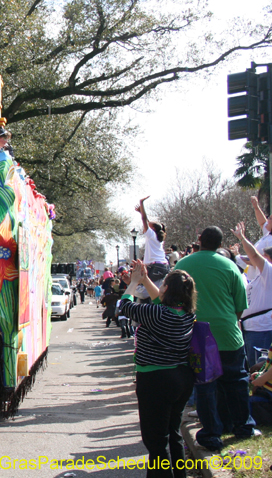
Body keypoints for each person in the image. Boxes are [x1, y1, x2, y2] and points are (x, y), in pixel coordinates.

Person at [175, 226, 258, 451]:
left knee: (205, 386)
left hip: (196, 334)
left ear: (199, 239)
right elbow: (240, 305)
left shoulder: (183, 265)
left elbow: (174, 300)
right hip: (227, 333)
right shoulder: (230, 266)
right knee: (237, 382)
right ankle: (243, 426)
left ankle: (211, 433)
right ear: (220, 244)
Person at [118, 262, 196, 478]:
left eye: (162, 285)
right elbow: (159, 299)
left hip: (156, 380)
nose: (159, 288)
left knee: (155, 441)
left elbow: (124, 306)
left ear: (167, 289)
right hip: (181, 378)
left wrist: (134, 283)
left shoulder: (156, 314)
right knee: (173, 433)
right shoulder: (187, 313)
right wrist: (144, 280)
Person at [232, 222, 272, 366]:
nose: (261, 258)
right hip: (252, 328)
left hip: (261, 329)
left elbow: (253, 255)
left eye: (264, 256)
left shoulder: (270, 271)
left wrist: (242, 238)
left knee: (259, 367)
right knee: (253, 368)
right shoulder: (261, 275)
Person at [134, 196, 169, 299]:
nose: (146, 227)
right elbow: (147, 221)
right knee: (157, 290)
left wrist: (141, 203)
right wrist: (141, 212)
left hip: (154, 266)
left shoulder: (151, 235)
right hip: (163, 265)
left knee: (147, 292)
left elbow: (144, 219)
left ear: (152, 228)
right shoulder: (158, 237)